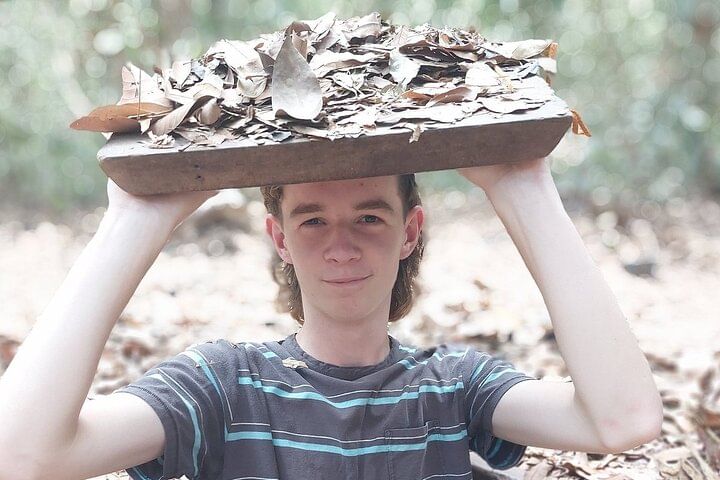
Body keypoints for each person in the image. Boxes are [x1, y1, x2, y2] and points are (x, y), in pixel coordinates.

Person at [0, 158, 663, 480]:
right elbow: (21, 453)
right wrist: (132, 220)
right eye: (312, 220)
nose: (341, 246)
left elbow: (623, 420)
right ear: (279, 238)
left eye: (368, 217)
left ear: (409, 231)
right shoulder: (224, 386)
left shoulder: (454, 387)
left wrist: (522, 184)